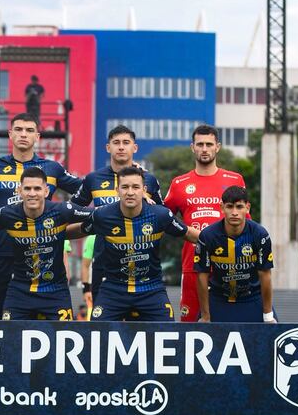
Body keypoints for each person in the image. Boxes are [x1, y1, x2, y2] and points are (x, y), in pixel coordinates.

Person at [0, 112, 82, 319]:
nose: (24, 134)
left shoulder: (52, 168)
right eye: (19, 130)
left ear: (38, 137)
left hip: (43, 252)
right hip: (4, 249)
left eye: (30, 130)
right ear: (10, 134)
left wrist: (142, 183)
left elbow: (88, 188)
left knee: (46, 319)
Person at [75, 167, 199, 322]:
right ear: (117, 190)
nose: (130, 192)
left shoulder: (159, 214)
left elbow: (188, 233)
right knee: (97, 336)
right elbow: (78, 230)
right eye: (125, 187)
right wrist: (53, 232)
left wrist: (218, 240)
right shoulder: (102, 215)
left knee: (168, 334)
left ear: (144, 190)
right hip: (114, 289)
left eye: (135, 187)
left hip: (151, 289)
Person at [164, 124, 246, 322]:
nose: (204, 149)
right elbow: (163, 218)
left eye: (209, 144)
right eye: (200, 144)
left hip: (228, 264)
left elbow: (246, 223)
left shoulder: (234, 179)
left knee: (230, 323)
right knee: (191, 324)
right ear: (193, 147)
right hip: (192, 264)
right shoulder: (179, 183)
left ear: (217, 147)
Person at [0, 167, 92, 321]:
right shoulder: (7, 214)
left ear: (46, 191)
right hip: (20, 290)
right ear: (19, 191)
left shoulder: (61, 211)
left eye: (37, 188)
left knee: (63, 340)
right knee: (10, 340)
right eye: (27, 189)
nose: (32, 193)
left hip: (55, 291)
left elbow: (97, 215)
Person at [72, 124, 163, 300]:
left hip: (143, 263)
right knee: (104, 324)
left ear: (134, 147)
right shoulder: (93, 178)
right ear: (108, 147)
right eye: (116, 142)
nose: (121, 147)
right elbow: (71, 210)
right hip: (103, 262)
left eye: (126, 142)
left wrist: (147, 205)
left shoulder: (149, 180)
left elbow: (164, 216)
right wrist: (94, 215)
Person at [194, 186, 276, 323]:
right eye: (229, 207)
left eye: (239, 207)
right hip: (219, 298)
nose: (234, 212)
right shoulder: (207, 236)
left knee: (271, 340)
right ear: (222, 207)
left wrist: (268, 316)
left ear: (247, 207)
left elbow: (265, 275)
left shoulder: (260, 234)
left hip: (252, 297)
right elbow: (202, 275)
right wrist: (205, 315)